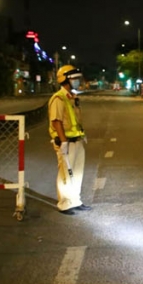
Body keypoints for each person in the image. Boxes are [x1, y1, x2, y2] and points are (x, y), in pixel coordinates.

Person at [48, 65, 91, 215]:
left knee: (77, 172)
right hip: (66, 142)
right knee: (66, 174)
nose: (78, 81)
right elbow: (56, 121)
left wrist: (81, 134)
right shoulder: (58, 98)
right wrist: (63, 141)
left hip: (77, 140)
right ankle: (65, 203)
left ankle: (75, 200)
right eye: (75, 79)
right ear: (65, 80)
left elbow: (75, 120)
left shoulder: (72, 98)